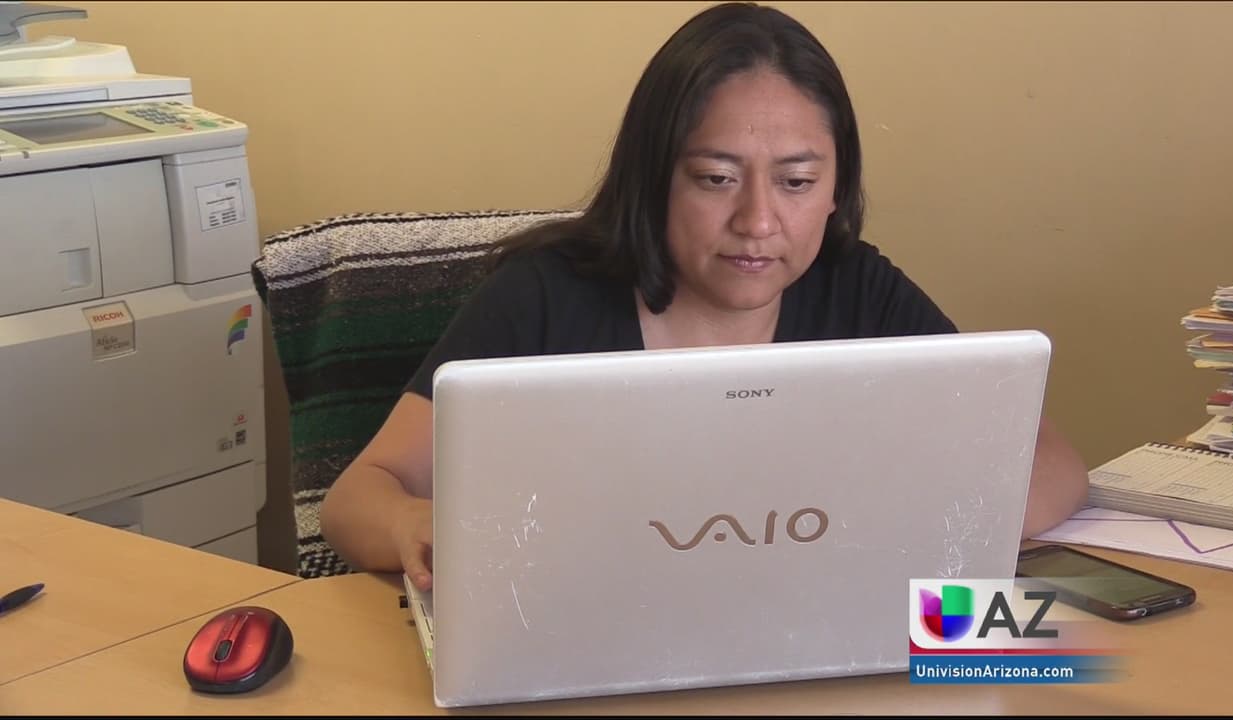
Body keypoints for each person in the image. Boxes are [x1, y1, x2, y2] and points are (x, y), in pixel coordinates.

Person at [319, 2, 1089, 592]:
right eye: (716, 179)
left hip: (813, 627)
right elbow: (356, 498)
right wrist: (412, 523)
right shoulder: (544, 298)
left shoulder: (859, 290)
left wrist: (913, 533)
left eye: (797, 182)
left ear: (836, 188)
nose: (758, 221)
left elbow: (1052, 464)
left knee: (1039, 670)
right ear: (653, 177)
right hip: (591, 630)